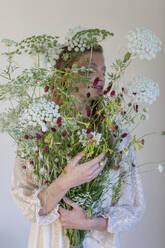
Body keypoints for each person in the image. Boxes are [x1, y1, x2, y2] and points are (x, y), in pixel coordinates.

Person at [10, 44, 146, 248]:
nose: (100, 78)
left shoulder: (117, 136)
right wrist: (66, 181)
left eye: (104, 71)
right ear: (65, 75)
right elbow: (26, 204)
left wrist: (88, 223)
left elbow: (133, 208)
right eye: (90, 70)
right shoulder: (36, 133)